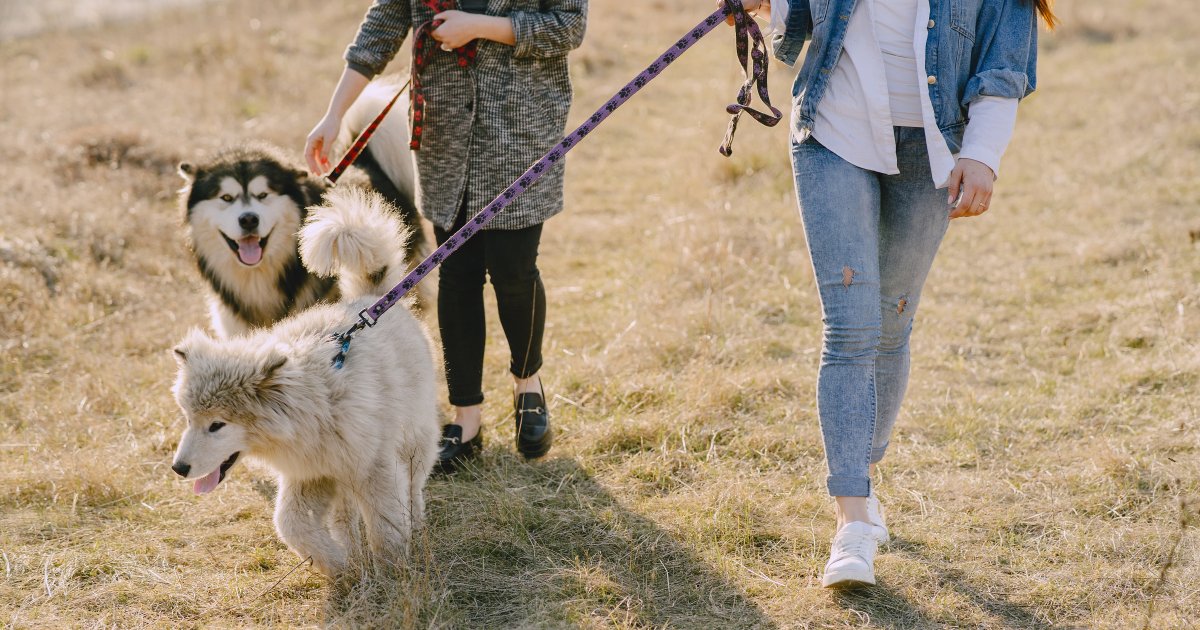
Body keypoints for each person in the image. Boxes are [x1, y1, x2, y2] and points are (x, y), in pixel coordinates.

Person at [721, 0, 1055, 587]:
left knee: (890, 323)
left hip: (934, 147)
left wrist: (983, 153)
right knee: (850, 327)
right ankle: (851, 520)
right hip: (833, 130)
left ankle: (864, 470)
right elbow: (797, 25)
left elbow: (1002, 65)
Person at [305, 0, 588, 472]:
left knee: (514, 273)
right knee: (457, 277)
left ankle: (527, 384)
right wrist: (335, 113)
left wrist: (478, 26)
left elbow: (568, 25)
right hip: (443, 134)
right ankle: (467, 418)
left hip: (520, 131)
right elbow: (383, 25)